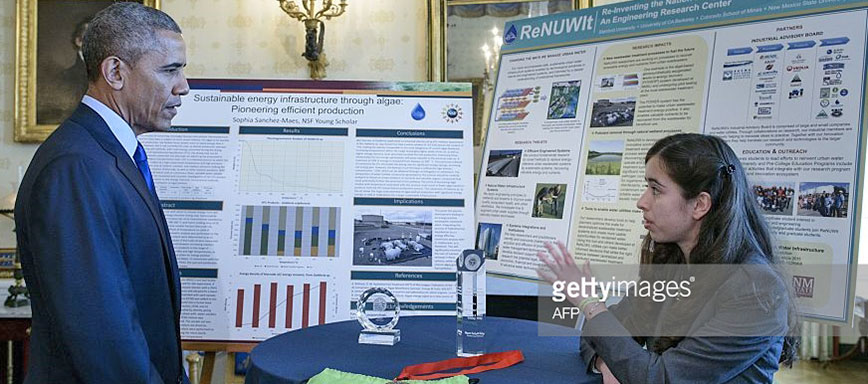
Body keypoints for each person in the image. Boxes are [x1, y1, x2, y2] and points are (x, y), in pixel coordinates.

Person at [14, 3, 189, 383]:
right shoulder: (75, 166)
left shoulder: (106, 153)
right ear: (114, 72)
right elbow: (104, 337)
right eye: (169, 70)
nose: (183, 87)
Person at [537, 133, 798, 383]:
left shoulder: (756, 290)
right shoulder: (673, 265)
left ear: (699, 205)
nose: (642, 201)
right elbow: (597, 334)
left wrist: (591, 304)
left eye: (655, 189)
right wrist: (608, 364)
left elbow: (660, 378)